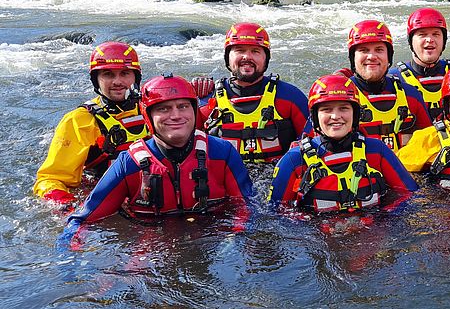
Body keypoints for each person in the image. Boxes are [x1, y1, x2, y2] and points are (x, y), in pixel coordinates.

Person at [63, 74, 253, 229]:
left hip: (213, 233)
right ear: (148, 117)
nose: (176, 115)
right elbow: (82, 219)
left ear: (194, 111)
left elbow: (246, 208)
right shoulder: (128, 164)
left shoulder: (223, 152)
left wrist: (235, 236)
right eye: (164, 109)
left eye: (183, 106)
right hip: (151, 239)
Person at [268, 74, 418, 213]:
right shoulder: (293, 160)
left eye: (344, 108)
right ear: (315, 117)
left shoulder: (377, 151)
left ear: (355, 114)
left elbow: (409, 196)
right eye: (326, 109)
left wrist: (382, 220)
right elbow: (277, 213)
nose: (335, 116)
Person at [33, 41, 149, 206]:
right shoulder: (79, 120)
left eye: (125, 73)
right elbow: (50, 179)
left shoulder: (156, 109)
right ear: (96, 80)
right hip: (109, 201)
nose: (117, 81)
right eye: (108, 74)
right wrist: (69, 208)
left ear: (136, 78)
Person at [199, 22, 310, 166]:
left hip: (277, 179)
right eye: (239, 50)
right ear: (228, 57)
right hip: (227, 182)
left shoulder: (290, 97)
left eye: (255, 51)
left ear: (266, 58)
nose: (247, 57)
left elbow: (315, 141)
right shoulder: (207, 100)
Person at [344, 19, 432, 152]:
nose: (372, 56)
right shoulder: (339, 97)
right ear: (353, 58)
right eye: (364, 50)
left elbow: (431, 145)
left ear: (388, 56)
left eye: (379, 50)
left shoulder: (411, 95)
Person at [387, 8, 450, 120]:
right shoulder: (392, 78)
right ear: (410, 41)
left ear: (444, 40)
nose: (430, 39)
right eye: (422, 34)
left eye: (436, 34)